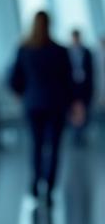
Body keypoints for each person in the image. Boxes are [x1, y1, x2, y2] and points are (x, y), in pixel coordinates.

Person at [9, 11, 75, 202]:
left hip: (33, 104)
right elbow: (68, 81)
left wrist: (23, 93)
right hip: (56, 104)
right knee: (54, 146)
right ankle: (50, 186)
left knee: (36, 145)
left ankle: (35, 183)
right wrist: (72, 104)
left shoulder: (24, 50)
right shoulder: (60, 51)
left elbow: (14, 80)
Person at [67, 29, 94, 145]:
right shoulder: (67, 52)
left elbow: (91, 71)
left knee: (84, 111)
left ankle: (81, 134)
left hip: (84, 86)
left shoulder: (86, 52)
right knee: (73, 111)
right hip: (72, 87)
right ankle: (75, 134)